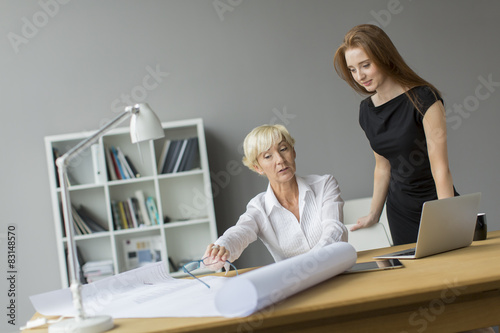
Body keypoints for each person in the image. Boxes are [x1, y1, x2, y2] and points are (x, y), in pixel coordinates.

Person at [333, 24, 459, 245]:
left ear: (384, 58)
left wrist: (445, 216)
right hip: (400, 211)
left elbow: (440, 168)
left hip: (436, 203)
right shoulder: (367, 111)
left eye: (365, 65)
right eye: (352, 70)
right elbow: (383, 167)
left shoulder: (424, 98)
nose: (359, 76)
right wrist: (374, 214)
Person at [202, 124, 347, 270]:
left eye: (283, 149)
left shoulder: (325, 184)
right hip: (296, 285)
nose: (280, 160)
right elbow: (240, 232)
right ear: (258, 168)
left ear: (293, 152)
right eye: (268, 156)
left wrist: (307, 264)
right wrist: (222, 247)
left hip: (337, 273)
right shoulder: (259, 207)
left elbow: (334, 231)